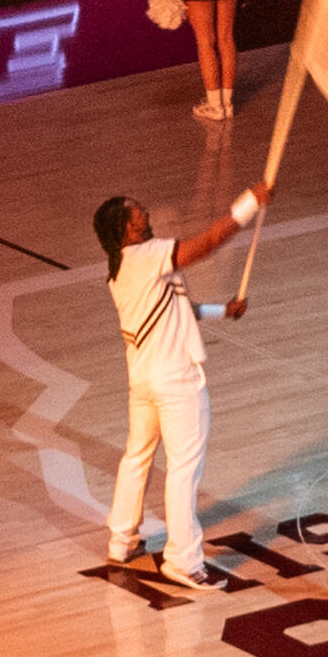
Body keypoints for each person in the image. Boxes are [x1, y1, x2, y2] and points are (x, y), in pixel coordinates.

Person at [92, 186, 253, 581]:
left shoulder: (119, 269)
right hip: (176, 379)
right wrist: (250, 203)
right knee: (184, 467)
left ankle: (122, 540)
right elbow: (210, 242)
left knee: (137, 457)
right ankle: (184, 560)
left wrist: (221, 310)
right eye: (137, 212)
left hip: (143, 380)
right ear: (127, 229)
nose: (145, 212)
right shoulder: (148, 254)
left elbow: (174, 307)